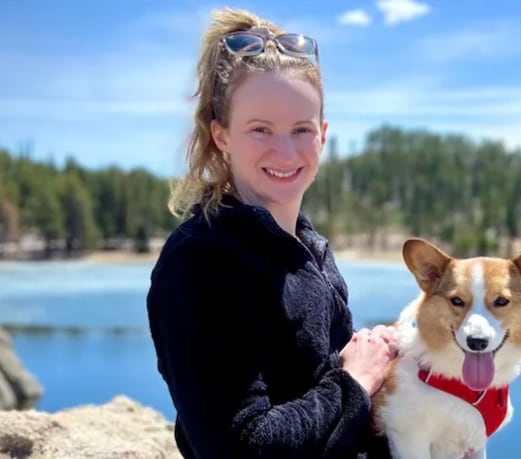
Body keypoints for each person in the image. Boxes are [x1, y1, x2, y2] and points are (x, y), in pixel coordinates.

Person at [146, 8, 397, 459]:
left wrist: (386, 360)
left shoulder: (305, 246)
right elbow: (239, 448)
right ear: (221, 135)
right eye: (260, 129)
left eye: (301, 129)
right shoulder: (201, 260)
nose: (285, 151)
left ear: (322, 134)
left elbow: (326, 396)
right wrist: (357, 379)